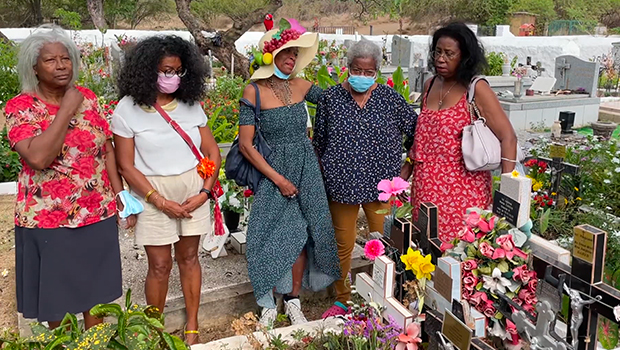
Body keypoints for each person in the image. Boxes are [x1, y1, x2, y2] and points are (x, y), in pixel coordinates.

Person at [4, 25, 126, 329]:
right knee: (59, 299)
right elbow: (39, 157)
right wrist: (66, 110)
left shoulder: (88, 97)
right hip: (50, 219)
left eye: (66, 59)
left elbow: (105, 148)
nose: (60, 66)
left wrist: (119, 193)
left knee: (95, 294)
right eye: (50, 60)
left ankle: (94, 345)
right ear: (34, 66)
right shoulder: (20, 108)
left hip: (96, 212)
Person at [112, 36, 220, 345]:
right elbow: (126, 165)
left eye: (177, 71)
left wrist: (205, 193)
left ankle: (193, 325)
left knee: (189, 259)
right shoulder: (127, 109)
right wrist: (159, 200)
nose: (171, 77)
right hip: (151, 192)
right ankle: (154, 329)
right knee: (159, 266)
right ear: (146, 71)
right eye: (164, 70)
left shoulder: (191, 104)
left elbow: (212, 151)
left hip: (192, 189)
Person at [238, 19, 340, 327]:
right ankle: (268, 303)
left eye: (294, 53)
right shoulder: (253, 91)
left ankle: (293, 301)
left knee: (302, 235)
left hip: (306, 168)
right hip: (273, 172)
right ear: (271, 55)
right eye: (285, 53)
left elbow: (336, 103)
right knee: (265, 235)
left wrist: (364, 84)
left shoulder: (302, 85)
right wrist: (278, 179)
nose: (291, 59)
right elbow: (246, 145)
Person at [313, 39, 418, 318]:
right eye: (356, 70)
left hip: (382, 186)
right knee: (342, 244)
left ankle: (389, 296)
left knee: (387, 242)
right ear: (347, 68)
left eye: (368, 72)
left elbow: (417, 132)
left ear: (377, 72)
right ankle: (343, 299)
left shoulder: (390, 99)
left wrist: (406, 170)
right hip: (341, 185)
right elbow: (319, 143)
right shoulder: (331, 99)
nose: (361, 76)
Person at [402, 22, 518, 242]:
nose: (440, 58)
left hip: (463, 190)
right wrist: (405, 172)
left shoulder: (476, 89)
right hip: (425, 187)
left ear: (464, 57)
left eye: (449, 54)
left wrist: (507, 189)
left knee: (459, 254)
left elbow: (508, 136)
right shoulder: (430, 85)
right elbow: (423, 138)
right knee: (426, 251)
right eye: (437, 51)